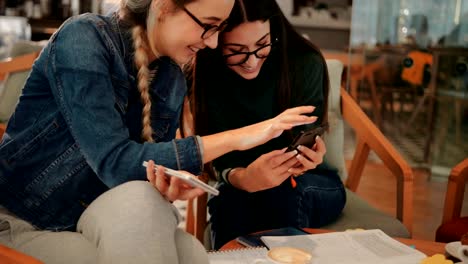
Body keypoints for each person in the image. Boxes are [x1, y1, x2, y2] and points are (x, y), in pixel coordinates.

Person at [0, 0, 318, 263]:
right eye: (208, 25)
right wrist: (243, 135)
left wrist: (166, 186)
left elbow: (141, 174)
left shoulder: (171, 77)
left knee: (190, 252)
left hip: (95, 215)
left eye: (219, 29)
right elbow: (115, 162)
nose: (213, 43)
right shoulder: (83, 38)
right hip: (25, 220)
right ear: (164, 7)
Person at [189, 0, 347, 249]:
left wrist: (306, 160)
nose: (251, 62)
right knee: (231, 203)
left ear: (275, 32)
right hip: (239, 186)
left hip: (310, 182)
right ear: (215, 45)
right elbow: (213, 158)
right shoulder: (207, 73)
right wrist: (243, 178)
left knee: (279, 193)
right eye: (236, 50)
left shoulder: (304, 62)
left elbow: (306, 138)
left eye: (262, 45)